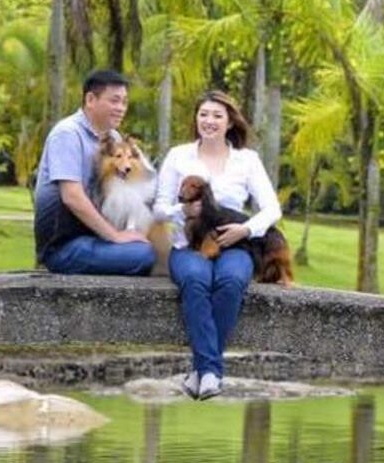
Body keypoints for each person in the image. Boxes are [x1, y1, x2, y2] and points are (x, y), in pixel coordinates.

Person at [154, 90, 282, 400]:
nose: (209, 121)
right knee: (196, 280)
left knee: (231, 280)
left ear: (229, 122)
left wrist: (245, 229)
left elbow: (272, 209)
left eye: (217, 115)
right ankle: (211, 372)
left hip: (236, 245)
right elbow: (159, 208)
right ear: (196, 119)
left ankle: (201, 371)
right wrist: (182, 211)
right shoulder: (178, 156)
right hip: (189, 245)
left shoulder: (247, 160)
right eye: (203, 114)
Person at [34, 70, 155, 275]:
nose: (121, 108)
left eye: (124, 102)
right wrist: (115, 236)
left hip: (96, 238)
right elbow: (72, 196)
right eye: (114, 101)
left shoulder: (114, 138)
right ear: (90, 99)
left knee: (160, 250)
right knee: (147, 256)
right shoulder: (67, 134)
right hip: (65, 247)